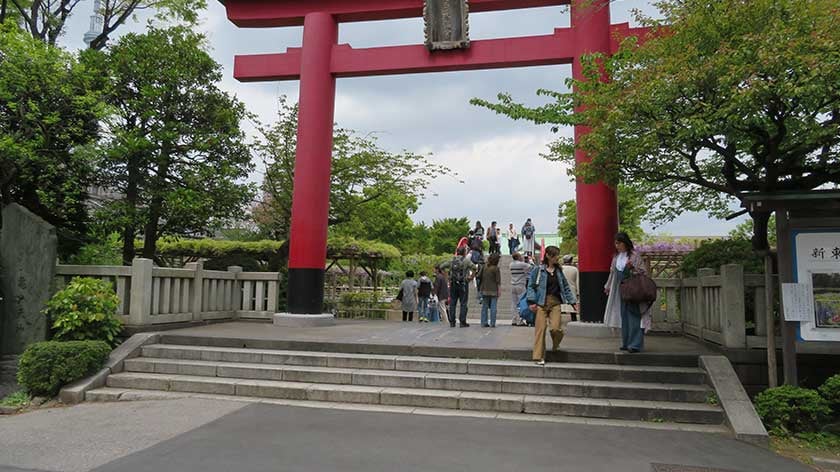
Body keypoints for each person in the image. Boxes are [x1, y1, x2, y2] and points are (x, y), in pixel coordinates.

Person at [527, 246, 578, 365]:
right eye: (555, 256)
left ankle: (556, 344)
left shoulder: (559, 271)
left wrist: (573, 302)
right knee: (540, 329)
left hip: (555, 303)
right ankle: (538, 357)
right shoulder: (538, 270)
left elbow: (565, 287)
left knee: (555, 328)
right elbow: (531, 286)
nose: (557, 258)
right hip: (541, 302)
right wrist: (532, 301)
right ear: (548, 256)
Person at [604, 232, 649, 353]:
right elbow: (612, 273)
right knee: (624, 316)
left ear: (625, 243)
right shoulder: (616, 257)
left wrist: (632, 268)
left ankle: (635, 344)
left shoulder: (634, 256)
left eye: (619, 243)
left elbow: (643, 272)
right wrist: (608, 286)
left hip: (633, 289)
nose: (617, 245)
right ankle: (626, 342)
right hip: (620, 289)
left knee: (634, 315)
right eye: (616, 243)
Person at [439, 246, 477, 327]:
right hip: (463, 284)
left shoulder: (452, 260)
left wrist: (446, 277)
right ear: (464, 253)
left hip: (453, 284)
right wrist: (471, 277)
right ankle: (462, 322)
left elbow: (441, 267)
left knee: (452, 303)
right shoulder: (466, 261)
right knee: (463, 303)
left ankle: (452, 321)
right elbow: (475, 268)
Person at [509, 252, 532, 326]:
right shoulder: (522, 264)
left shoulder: (511, 264)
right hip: (521, 285)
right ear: (518, 257)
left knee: (514, 303)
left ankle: (514, 320)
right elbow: (531, 267)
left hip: (513, 285)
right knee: (521, 303)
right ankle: (520, 320)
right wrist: (530, 260)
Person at [479, 253, 502, 327]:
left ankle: (483, 322)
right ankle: (492, 323)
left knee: (484, 307)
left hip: (484, 289)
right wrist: (499, 290)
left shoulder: (484, 266)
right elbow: (498, 281)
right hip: (494, 290)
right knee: (493, 307)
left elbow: (479, 276)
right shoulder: (496, 268)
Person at [561, 255, 580, 322]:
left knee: (561, 307)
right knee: (572, 308)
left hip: (561, 290)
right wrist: (578, 292)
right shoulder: (575, 269)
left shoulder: (560, 269)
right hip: (572, 290)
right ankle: (573, 319)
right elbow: (577, 282)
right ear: (571, 261)